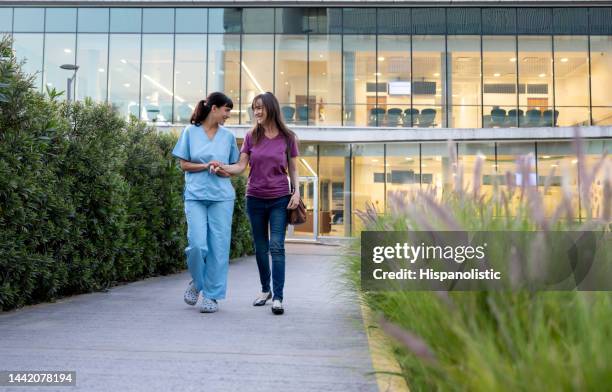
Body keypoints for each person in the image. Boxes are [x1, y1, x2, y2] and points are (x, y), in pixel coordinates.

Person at [217, 92, 300, 315]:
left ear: (271, 108)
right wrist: (223, 168)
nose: (257, 112)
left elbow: (293, 168)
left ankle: (278, 297)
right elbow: (241, 166)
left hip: (279, 198)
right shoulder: (251, 136)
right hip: (254, 198)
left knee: (276, 246)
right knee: (261, 248)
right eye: (254, 108)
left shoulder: (288, 137)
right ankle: (266, 291)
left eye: (260, 107)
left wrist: (297, 192)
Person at [172, 92, 239, 313]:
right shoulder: (190, 132)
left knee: (219, 249)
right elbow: (183, 165)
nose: (228, 115)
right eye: (226, 110)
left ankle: (212, 296)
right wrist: (205, 165)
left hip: (221, 197)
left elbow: (231, 170)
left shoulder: (228, 137)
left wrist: (220, 170)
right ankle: (198, 283)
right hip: (196, 196)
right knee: (197, 245)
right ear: (214, 109)